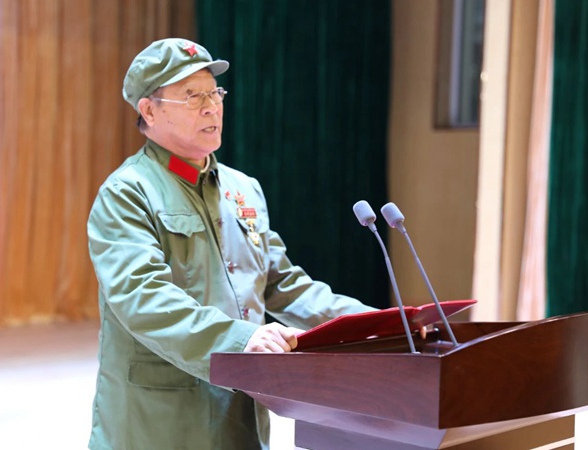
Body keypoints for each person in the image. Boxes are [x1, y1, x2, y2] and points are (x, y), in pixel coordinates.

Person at [86, 38, 375, 450]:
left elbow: (282, 285)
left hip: (239, 405)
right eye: (192, 96)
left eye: (214, 93)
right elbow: (141, 297)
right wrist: (240, 340)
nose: (211, 107)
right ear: (149, 110)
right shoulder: (128, 192)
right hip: (160, 415)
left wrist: (372, 324)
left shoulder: (243, 189)